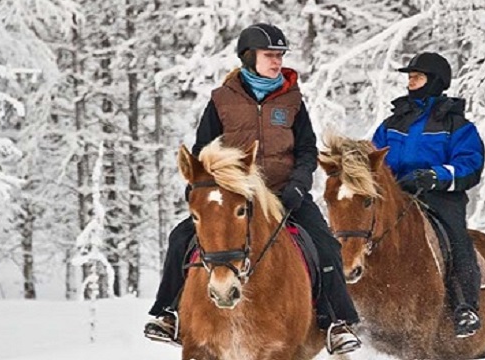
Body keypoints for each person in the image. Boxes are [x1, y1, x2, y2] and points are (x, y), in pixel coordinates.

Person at [144, 24, 362, 355]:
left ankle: (335, 322)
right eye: (269, 55)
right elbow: (203, 150)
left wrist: (299, 185)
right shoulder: (221, 100)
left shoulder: (292, 100)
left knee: (326, 245)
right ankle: (168, 314)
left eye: (280, 56)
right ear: (249, 57)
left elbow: (306, 149)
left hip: (284, 195)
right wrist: (203, 187)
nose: (277, 62)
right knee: (180, 239)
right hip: (234, 194)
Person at [371, 52, 485, 339]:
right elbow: (373, 157)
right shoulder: (392, 123)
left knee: (457, 240)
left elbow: (470, 164)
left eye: (417, 77)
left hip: (439, 197)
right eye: (410, 77)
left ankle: (465, 307)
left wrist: (437, 175)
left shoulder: (457, 126)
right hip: (396, 194)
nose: (410, 82)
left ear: (434, 82)